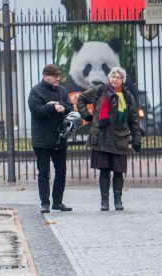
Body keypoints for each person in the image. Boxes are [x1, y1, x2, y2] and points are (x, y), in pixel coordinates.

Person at [77, 66, 141, 211]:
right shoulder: (100, 90)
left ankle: (118, 200)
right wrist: (86, 115)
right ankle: (104, 201)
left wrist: (137, 139)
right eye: (113, 76)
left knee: (118, 171)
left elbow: (134, 119)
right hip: (102, 137)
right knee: (104, 171)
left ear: (122, 80)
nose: (115, 79)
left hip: (120, 138)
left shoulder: (127, 96)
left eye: (118, 77)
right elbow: (81, 99)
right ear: (109, 78)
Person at [28, 63, 73, 214]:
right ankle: (45, 202)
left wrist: (61, 105)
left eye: (58, 76)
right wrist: (52, 107)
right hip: (42, 138)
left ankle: (57, 202)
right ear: (45, 76)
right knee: (43, 172)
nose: (57, 79)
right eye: (54, 76)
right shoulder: (36, 91)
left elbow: (70, 108)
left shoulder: (62, 91)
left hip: (59, 137)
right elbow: (36, 111)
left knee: (61, 171)